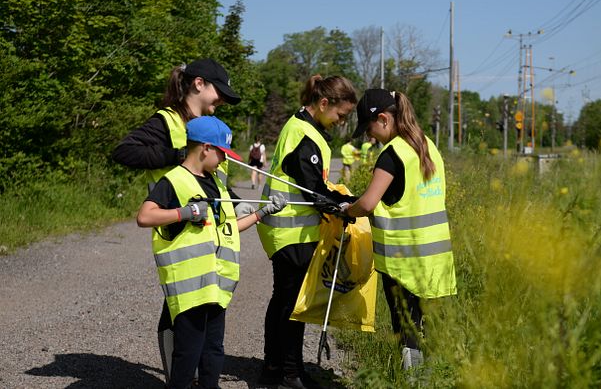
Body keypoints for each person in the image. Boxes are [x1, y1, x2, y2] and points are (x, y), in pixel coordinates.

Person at [112, 58, 253, 383]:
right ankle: (178, 376)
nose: (222, 101)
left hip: (209, 235)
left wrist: (238, 205)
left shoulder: (211, 127)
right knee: (179, 307)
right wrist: (176, 156)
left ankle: (191, 375)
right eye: (220, 92)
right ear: (199, 84)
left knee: (197, 314)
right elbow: (124, 151)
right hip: (176, 228)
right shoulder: (167, 121)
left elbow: (214, 180)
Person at [136, 116, 286, 388]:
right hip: (190, 286)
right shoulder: (175, 180)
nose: (223, 159)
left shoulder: (216, 183)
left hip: (217, 283)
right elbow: (145, 216)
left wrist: (263, 213)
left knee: (213, 349)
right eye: (222, 153)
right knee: (188, 352)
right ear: (205, 148)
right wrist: (184, 212)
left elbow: (226, 227)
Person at [341, 89, 457, 370]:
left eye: (369, 128)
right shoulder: (426, 145)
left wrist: (348, 209)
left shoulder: (392, 154)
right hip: (436, 258)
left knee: (408, 330)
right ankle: (432, 378)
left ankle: (412, 381)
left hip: (403, 262)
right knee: (431, 330)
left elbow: (368, 203)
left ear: (383, 119)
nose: (370, 136)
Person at [256, 74, 359, 389]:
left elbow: (314, 186)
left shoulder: (305, 128)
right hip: (292, 232)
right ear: (324, 103)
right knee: (292, 305)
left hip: (285, 230)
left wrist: (340, 200)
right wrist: (349, 206)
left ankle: (277, 366)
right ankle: (289, 373)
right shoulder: (304, 135)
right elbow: (313, 191)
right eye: (340, 115)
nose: (341, 122)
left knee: (283, 299)